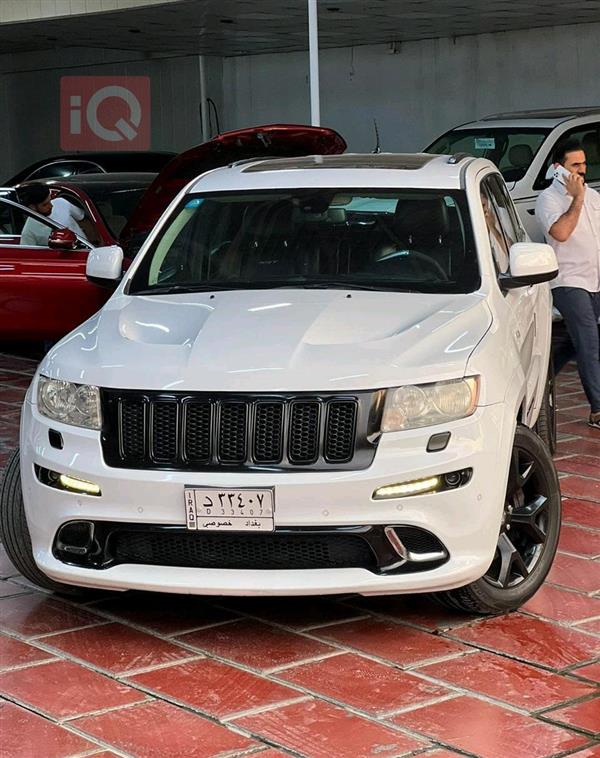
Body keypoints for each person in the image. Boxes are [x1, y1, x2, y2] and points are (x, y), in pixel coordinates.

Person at [535, 139, 600, 430]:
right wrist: (576, 200)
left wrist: (584, 197)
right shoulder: (548, 200)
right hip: (568, 281)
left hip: (595, 278)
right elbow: (560, 233)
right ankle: (598, 409)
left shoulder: (595, 197)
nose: (582, 171)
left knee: (578, 340)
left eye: (584, 164)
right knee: (589, 344)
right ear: (558, 168)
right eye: (575, 165)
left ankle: (541, 373)